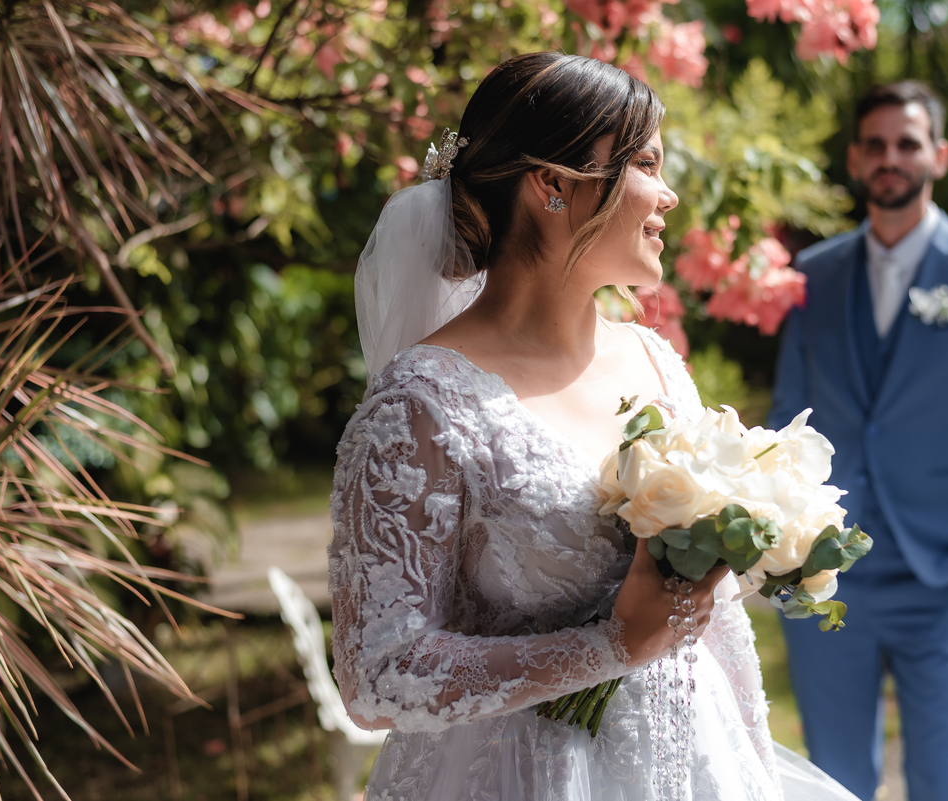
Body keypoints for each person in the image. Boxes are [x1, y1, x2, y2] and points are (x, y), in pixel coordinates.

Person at [328, 53, 859, 801]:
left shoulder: (655, 360)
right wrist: (610, 646)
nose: (669, 195)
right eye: (647, 164)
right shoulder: (420, 406)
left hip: (696, 762)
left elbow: (716, 624)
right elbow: (377, 675)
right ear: (552, 184)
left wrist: (754, 770)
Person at [768, 80, 948, 801]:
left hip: (946, 570)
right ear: (855, 159)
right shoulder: (813, 274)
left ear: (939, 156)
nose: (890, 158)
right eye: (875, 145)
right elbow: (786, 419)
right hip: (825, 569)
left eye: (907, 143)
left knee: (945, 780)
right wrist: (782, 549)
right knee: (832, 780)